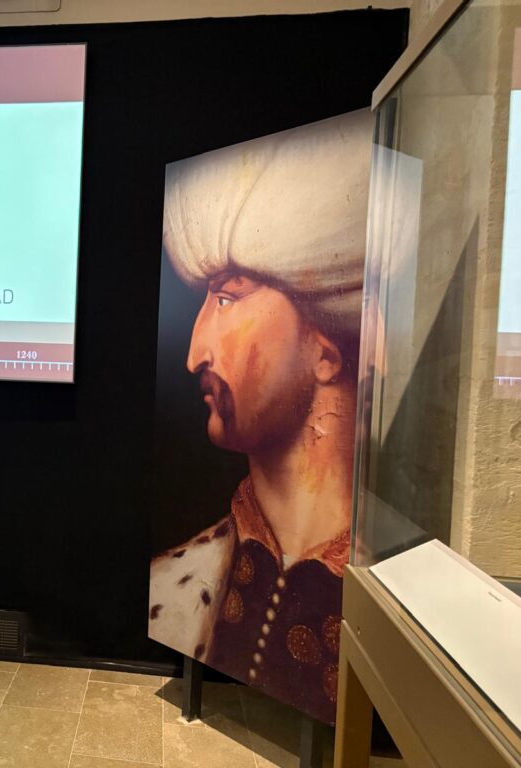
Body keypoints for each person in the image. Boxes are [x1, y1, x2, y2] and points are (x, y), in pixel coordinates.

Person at [148, 110, 373, 724]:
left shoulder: (387, 594)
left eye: (228, 298)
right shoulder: (175, 584)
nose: (195, 352)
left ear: (326, 352)